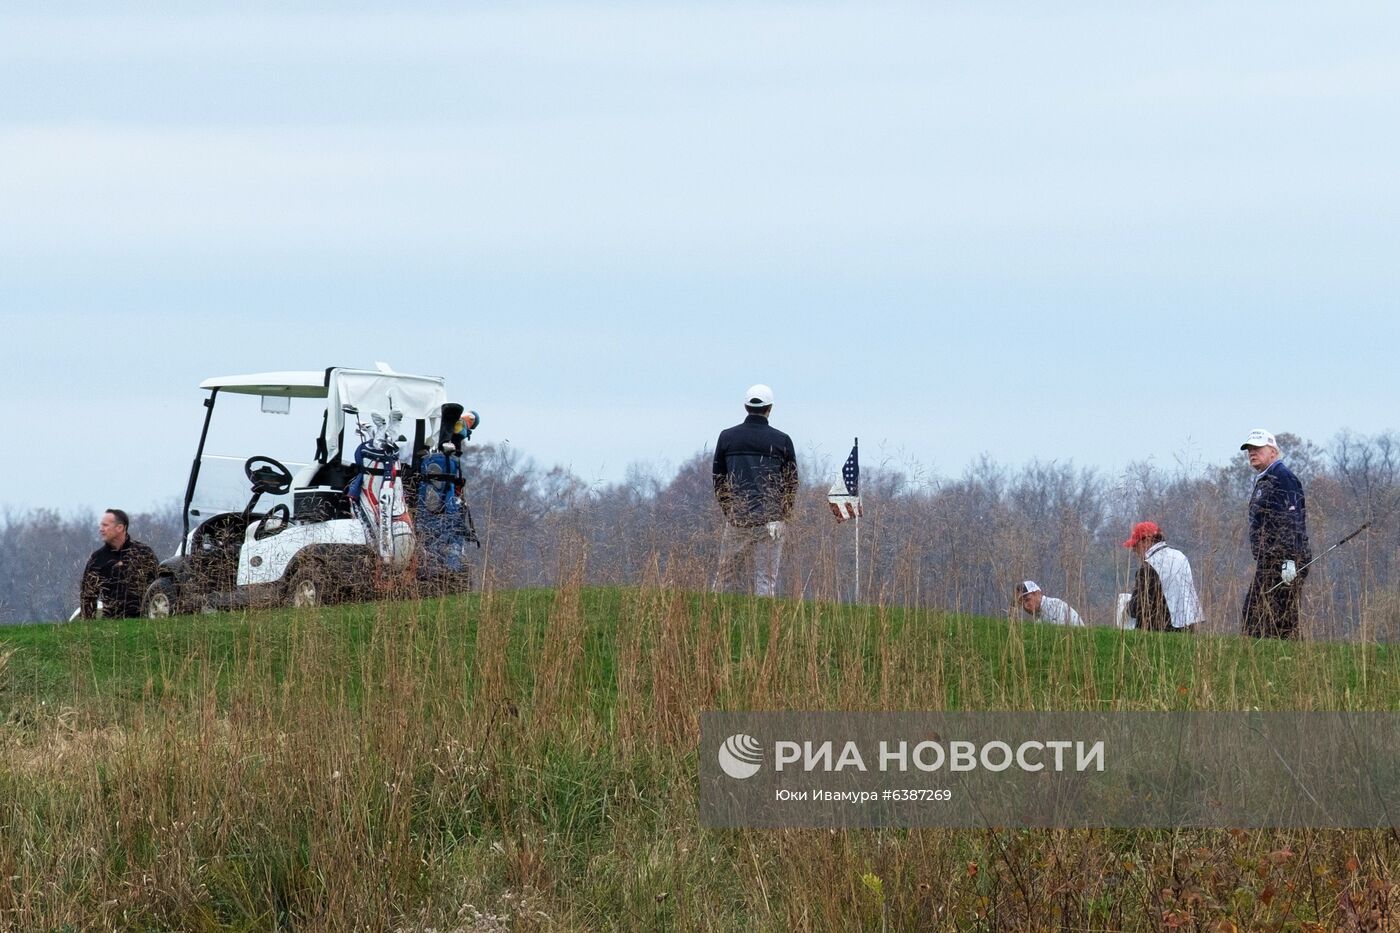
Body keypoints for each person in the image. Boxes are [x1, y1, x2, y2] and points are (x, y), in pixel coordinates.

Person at [712, 384, 799, 597]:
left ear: (745, 406)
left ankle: (715, 619)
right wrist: (782, 516)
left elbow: (718, 479)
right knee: (765, 581)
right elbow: (791, 483)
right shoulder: (782, 440)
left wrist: (730, 511)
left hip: (738, 518)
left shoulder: (727, 437)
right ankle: (766, 625)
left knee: (725, 578)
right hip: (771, 521)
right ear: (770, 408)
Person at [1239, 429, 1311, 639]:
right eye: (1249, 449)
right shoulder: (1265, 479)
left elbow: (1292, 520)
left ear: (1273, 451)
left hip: (1284, 559)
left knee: (1272, 617)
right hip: (1269, 559)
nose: (1252, 452)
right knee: (1265, 617)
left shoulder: (1283, 478)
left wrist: (1289, 560)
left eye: (1258, 448)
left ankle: (1289, 663)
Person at [1122, 521, 1204, 633]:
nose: (1134, 550)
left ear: (1147, 540)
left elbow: (1138, 608)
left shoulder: (1148, 567)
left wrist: (1126, 606)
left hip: (1162, 630)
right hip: (1189, 628)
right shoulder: (1180, 556)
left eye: (1136, 545)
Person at [79, 509, 159, 619]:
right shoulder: (97, 558)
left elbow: (157, 585)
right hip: (112, 624)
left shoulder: (143, 553)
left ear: (120, 528)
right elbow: (87, 597)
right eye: (101, 525)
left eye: (105, 525)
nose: (101, 529)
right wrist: (88, 627)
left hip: (143, 621)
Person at [1013, 581, 1085, 626]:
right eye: (1021, 603)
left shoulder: (1054, 606)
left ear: (1038, 593)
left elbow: (1061, 632)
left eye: (1028, 600)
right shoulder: (1039, 614)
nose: (1025, 606)